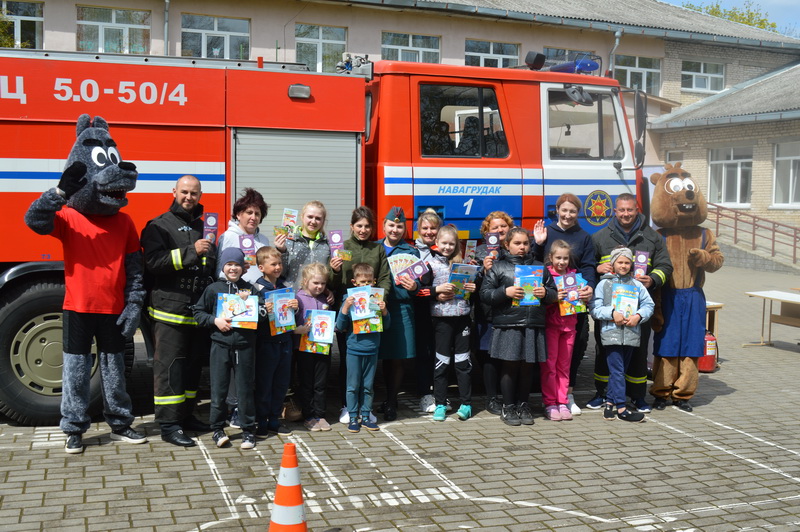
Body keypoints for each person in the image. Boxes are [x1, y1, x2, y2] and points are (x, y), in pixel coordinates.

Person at [24, 114, 146, 454]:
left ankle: (120, 423)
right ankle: (74, 429)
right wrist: (61, 191)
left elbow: (135, 269)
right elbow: (33, 219)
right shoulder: (68, 216)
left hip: (113, 309)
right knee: (75, 374)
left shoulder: (124, 221)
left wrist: (134, 303)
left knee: (115, 372)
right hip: (77, 307)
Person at [141, 175, 216, 447]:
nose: (189, 197)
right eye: (184, 192)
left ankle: (186, 416)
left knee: (192, 369)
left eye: (194, 193)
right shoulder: (158, 226)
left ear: (200, 194)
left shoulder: (205, 226)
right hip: (169, 312)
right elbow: (152, 263)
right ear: (174, 192)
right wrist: (190, 251)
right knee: (170, 368)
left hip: (196, 313)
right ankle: (169, 425)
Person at [589, 193, 672, 413]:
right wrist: (597, 269)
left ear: (637, 210)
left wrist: (653, 279)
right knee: (604, 352)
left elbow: (666, 266)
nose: (626, 214)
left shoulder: (652, 237)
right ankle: (603, 394)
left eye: (630, 210)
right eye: (621, 210)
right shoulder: (600, 238)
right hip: (610, 313)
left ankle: (637, 396)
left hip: (637, 313)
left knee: (638, 353)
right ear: (615, 211)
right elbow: (586, 266)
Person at [481, 227, 556, 427]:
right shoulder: (498, 267)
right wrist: (505, 291)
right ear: (507, 245)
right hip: (509, 324)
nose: (522, 247)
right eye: (517, 243)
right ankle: (508, 406)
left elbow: (554, 294)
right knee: (510, 367)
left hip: (533, 324)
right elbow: (485, 295)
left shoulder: (540, 267)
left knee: (527, 368)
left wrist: (545, 293)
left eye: (525, 243)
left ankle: (523, 405)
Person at [532, 193, 596, 416]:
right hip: (550, 311)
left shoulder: (584, 237)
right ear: (557, 210)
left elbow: (588, 266)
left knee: (572, 354)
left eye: (572, 211)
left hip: (573, 307)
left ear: (577, 213)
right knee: (550, 360)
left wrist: (589, 286)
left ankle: (566, 396)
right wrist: (538, 243)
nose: (568, 215)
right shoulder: (546, 232)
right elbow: (534, 264)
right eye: (564, 210)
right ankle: (551, 401)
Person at [193, 248, 260, 449]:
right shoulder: (213, 289)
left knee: (245, 389)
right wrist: (215, 320)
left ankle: (248, 430)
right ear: (223, 266)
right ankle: (217, 429)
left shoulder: (250, 290)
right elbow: (198, 312)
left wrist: (256, 306)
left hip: (245, 347)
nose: (233, 268)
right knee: (219, 388)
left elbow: (262, 314)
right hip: (220, 346)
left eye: (237, 264)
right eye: (229, 264)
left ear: (243, 268)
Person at [331, 206, 392, 423]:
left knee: (368, 366)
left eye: (367, 226)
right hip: (349, 312)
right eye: (359, 226)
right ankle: (347, 407)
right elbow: (333, 283)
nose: (363, 230)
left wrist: (377, 299)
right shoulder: (342, 248)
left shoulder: (377, 249)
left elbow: (385, 277)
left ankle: (367, 409)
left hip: (371, 314)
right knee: (349, 364)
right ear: (351, 226)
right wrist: (335, 270)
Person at [216, 187, 270, 428]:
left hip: (256, 303)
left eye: (257, 213)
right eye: (249, 212)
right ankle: (233, 406)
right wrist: (237, 273)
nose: (253, 218)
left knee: (251, 358)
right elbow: (217, 272)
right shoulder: (229, 236)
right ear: (238, 213)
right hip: (235, 302)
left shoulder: (264, 240)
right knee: (235, 358)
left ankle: (247, 406)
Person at [590, 247, 654, 422]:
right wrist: (612, 314)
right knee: (617, 371)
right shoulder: (604, 284)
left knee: (619, 371)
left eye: (627, 262)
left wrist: (638, 316)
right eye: (620, 262)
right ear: (613, 264)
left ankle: (609, 404)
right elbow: (595, 309)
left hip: (631, 333)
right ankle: (622, 408)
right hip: (611, 333)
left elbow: (649, 304)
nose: (624, 266)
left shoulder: (637, 285)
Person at [429, 225, 476, 422]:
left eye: (451, 243)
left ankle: (466, 404)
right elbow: (421, 291)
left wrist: (473, 287)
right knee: (442, 362)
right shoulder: (430, 264)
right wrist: (436, 292)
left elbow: (472, 294)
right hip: (441, 320)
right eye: (444, 243)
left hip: (462, 318)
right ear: (436, 243)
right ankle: (440, 403)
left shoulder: (465, 263)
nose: (447, 247)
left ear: (457, 245)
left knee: (463, 363)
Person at [336, 263, 390, 433]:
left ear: (374, 282)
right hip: (353, 349)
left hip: (372, 349)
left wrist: (385, 311)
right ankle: (353, 417)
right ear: (354, 282)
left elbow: (386, 326)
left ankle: (366, 415)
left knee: (368, 386)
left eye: (369, 282)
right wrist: (345, 307)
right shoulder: (349, 300)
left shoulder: (377, 300)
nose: (366, 285)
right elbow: (339, 325)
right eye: (362, 282)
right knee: (352, 386)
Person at [377, 206, 419, 421]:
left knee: (397, 358)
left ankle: (392, 400)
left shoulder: (411, 252)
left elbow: (420, 280)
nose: (395, 229)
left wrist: (414, 286)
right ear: (384, 226)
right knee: (383, 355)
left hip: (402, 308)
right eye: (391, 225)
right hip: (378, 308)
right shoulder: (374, 248)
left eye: (399, 226)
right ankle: (383, 398)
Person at [542, 240, 591, 421]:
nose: (562, 262)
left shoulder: (575, 277)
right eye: (558, 258)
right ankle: (549, 402)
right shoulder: (547, 276)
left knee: (564, 366)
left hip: (570, 327)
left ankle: (562, 401)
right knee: (550, 366)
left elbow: (585, 298)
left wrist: (585, 294)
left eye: (565, 258)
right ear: (551, 258)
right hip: (551, 327)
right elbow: (540, 303)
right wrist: (554, 297)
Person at [252, 246, 297, 438]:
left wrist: (294, 307)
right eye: (273, 264)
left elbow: (288, 316)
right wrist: (262, 308)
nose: (278, 267)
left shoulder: (285, 286)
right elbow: (252, 317)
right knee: (265, 384)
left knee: (281, 384)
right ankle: (261, 422)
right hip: (266, 343)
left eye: (279, 263)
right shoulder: (256, 289)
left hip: (285, 342)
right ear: (261, 267)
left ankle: (275, 421)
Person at [473, 211, 514, 416]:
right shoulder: (479, 252)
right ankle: (491, 398)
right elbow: (472, 284)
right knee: (488, 355)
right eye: (495, 227)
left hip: (510, 310)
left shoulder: (514, 249)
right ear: (487, 232)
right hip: (487, 310)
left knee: (507, 354)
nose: (499, 230)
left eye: (503, 226)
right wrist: (483, 270)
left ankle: (508, 396)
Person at [294, 262, 333, 431]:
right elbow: (289, 323)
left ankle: (320, 414)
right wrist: (297, 330)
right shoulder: (297, 298)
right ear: (305, 281)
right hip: (304, 349)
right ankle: (308, 415)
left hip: (323, 347)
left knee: (321, 382)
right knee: (306, 382)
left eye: (323, 283)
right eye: (315, 283)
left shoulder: (326, 298)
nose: (319, 286)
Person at [413, 208, 441, 414]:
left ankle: (440, 393)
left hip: (444, 308)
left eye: (433, 228)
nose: (429, 232)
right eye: (425, 228)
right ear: (418, 230)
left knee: (441, 353)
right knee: (424, 352)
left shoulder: (447, 249)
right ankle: (425, 393)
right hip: (422, 307)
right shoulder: (412, 252)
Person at [276, 200, 332, 291]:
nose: (313, 221)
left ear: (323, 221)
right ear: (302, 217)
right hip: (291, 297)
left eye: (318, 218)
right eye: (310, 217)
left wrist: (328, 290)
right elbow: (280, 274)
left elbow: (328, 277)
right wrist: (281, 251)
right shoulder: (289, 241)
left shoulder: (327, 245)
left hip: (317, 298)